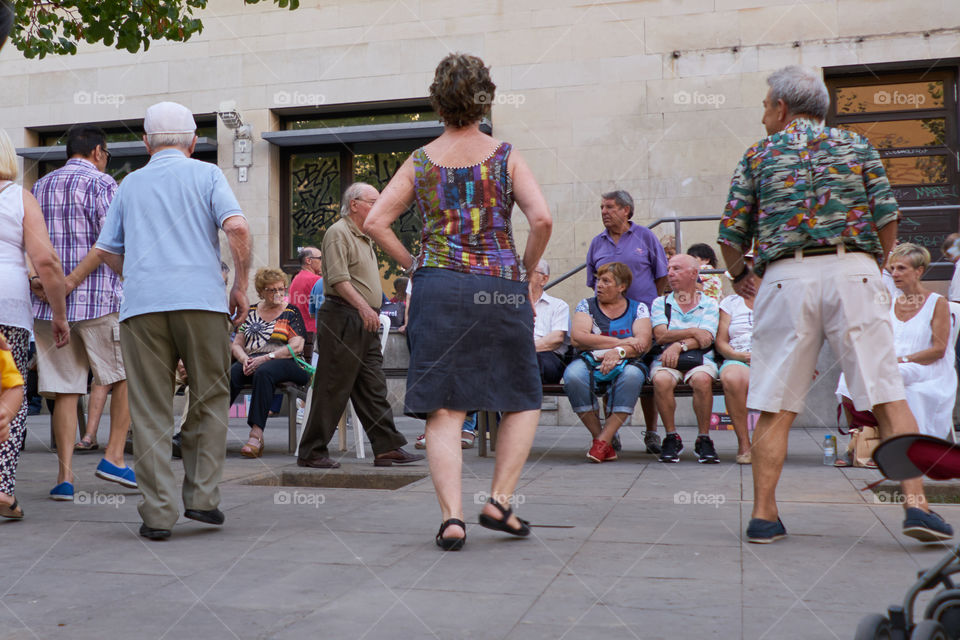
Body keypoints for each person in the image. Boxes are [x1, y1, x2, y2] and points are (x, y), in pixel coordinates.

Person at [718, 65, 952, 543]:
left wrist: (743, 275)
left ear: (782, 107)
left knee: (774, 402)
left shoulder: (759, 154)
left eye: (766, 105)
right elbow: (887, 214)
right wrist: (875, 267)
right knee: (886, 393)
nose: (763, 115)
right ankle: (917, 505)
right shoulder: (857, 145)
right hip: (855, 271)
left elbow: (730, 234)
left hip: (785, 278)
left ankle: (765, 515)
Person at [365, 53, 552, 550]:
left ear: (439, 102)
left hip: (438, 287)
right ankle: (499, 501)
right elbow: (542, 221)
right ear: (485, 97)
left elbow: (375, 221)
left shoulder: (421, 160)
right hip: (499, 285)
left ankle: (452, 519)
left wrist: (414, 265)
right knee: (521, 394)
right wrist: (526, 272)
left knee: (445, 408)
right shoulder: (505, 155)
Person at [95, 101, 252, 541]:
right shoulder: (207, 174)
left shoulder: (129, 184)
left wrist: (139, 276)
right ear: (194, 141)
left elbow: (106, 249)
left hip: (142, 307)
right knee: (211, 394)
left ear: (146, 143)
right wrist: (240, 283)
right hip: (201, 300)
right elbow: (236, 228)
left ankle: (158, 514)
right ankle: (202, 499)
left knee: (149, 405)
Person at [30, 125, 135, 500]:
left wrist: (38, 281)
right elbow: (109, 243)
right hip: (99, 300)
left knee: (64, 389)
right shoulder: (105, 184)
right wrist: (71, 281)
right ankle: (114, 457)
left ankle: (65, 478)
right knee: (122, 377)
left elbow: (27, 245)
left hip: (46, 306)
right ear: (99, 152)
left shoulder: (39, 187)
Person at [296, 182, 424, 470]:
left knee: (372, 385)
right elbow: (339, 280)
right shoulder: (338, 233)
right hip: (344, 316)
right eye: (372, 201)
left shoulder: (365, 236)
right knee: (333, 386)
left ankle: (387, 447)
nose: (378, 206)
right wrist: (365, 307)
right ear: (354, 204)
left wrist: (370, 309)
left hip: (363, 318)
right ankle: (311, 452)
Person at [0, 128, 70, 520]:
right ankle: (2, 487)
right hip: (8, 305)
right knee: (9, 387)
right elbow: (47, 262)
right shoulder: (19, 198)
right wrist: (58, 315)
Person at [586, 190, 668, 455]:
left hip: (642, 318)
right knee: (611, 367)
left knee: (643, 371)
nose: (604, 212)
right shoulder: (597, 243)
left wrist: (648, 303)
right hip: (608, 318)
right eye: (601, 207)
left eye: (609, 207)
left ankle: (652, 432)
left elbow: (661, 275)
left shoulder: (645, 237)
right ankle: (613, 432)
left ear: (626, 210)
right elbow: (592, 282)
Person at [564, 262, 651, 462]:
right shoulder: (586, 305)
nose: (598, 285)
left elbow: (643, 343)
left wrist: (618, 352)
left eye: (606, 281)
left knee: (632, 376)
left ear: (621, 287)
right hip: (589, 359)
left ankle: (603, 440)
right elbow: (579, 338)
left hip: (627, 362)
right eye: (597, 280)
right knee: (573, 376)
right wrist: (621, 343)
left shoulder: (639, 308)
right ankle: (602, 440)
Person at [230, 268, 309, 457]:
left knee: (265, 371)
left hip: (289, 362)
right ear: (261, 291)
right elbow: (237, 344)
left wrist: (265, 358)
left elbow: (296, 346)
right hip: (253, 361)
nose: (278, 294)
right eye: (272, 290)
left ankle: (256, 434)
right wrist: (244, 359)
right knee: (231, 373)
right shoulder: (251, 311)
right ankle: (208, 429)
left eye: (281, 289)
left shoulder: (291, 312)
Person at [650, 254, 721, 464]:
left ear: (693, 273)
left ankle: (703, 438)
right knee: (661, 380)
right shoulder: (660, 303)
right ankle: (671, 437)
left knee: (702, 380)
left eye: (677, 269)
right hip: (666, 359)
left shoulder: (709, 303)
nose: (670, 273)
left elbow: (707, 338)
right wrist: (692, 332)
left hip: (700, 359)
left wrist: (678, 345)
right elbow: (660, 334)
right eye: (669, 269)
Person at [887, 243, 956, 439]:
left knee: (889, 375)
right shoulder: (891, 302)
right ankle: (862, 437)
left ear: (919, 271)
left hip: (927, 368)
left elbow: (939, 350)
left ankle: (899, 437)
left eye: (901, 268)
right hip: (895, 365)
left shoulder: (937, 302)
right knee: (846, 381)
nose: (895, 274)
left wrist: (902, 360)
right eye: (892, 268)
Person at [715, 253, 757, 464]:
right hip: (738, 356)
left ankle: (767, 442)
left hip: (769, 358)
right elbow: (721, 341)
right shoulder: (730, 302)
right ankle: (744, 443)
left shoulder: (775, 296)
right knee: (731, 377)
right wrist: (737, 355)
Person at [529, 259, 570, 384]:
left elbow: (556, 339)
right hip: (516, 356)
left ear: (544, 279)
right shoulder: (512, 304)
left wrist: (524, 350)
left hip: (547, 356)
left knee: (528, 364)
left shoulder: (558, 305)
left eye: (530, 271)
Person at [288, 247, 322, 349]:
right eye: (320, 258)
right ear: (308, 260)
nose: (323, 262)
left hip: (297, 332)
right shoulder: (317, 280)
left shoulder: (296, 278)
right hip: (313, 333)